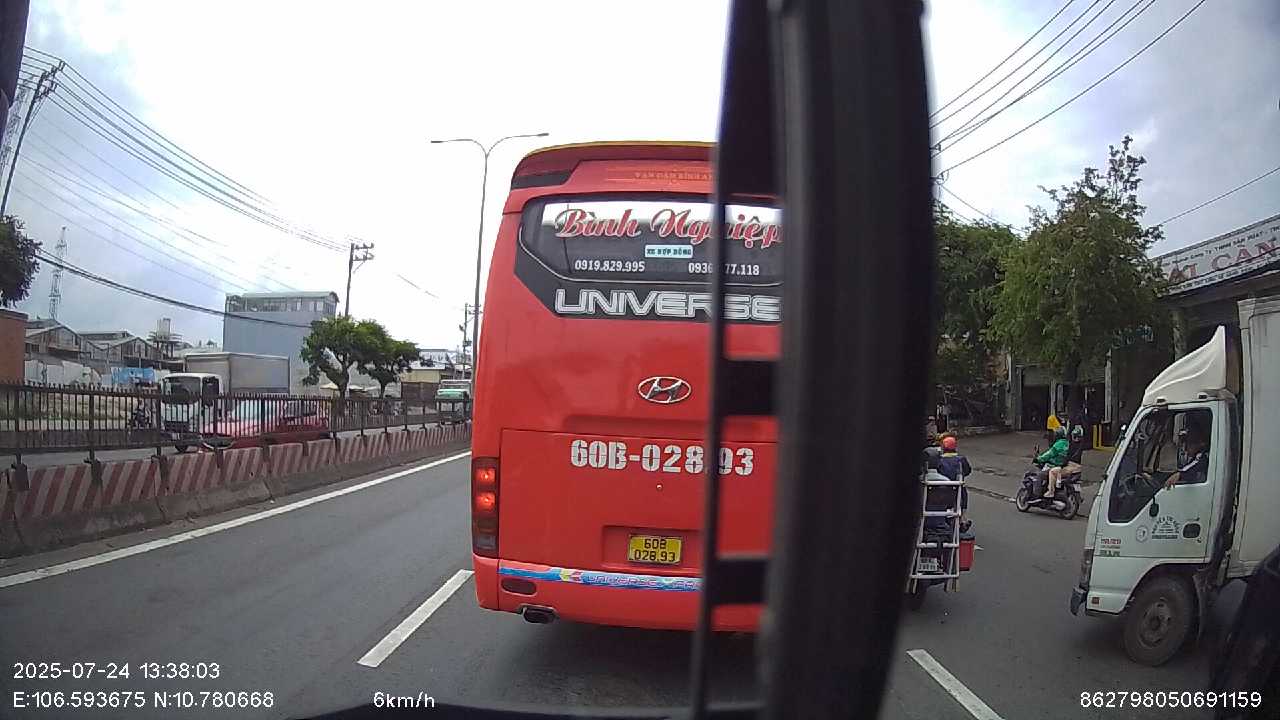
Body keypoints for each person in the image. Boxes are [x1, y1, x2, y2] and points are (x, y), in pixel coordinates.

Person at [937, 435, 971, 525]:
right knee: (963, 492)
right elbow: (967, 471)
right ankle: (963, 517)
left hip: (942, 489)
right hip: (956, 488)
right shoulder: (961, 459)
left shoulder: (939, 460)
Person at [1036, 426, 1069, 497]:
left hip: (1055, 465)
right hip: (1063, 465)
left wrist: (1039, 458)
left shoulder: (1058, 444)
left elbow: (1049, 454)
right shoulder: (1067, 443)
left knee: (1039, 475)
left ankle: (1038, 494)